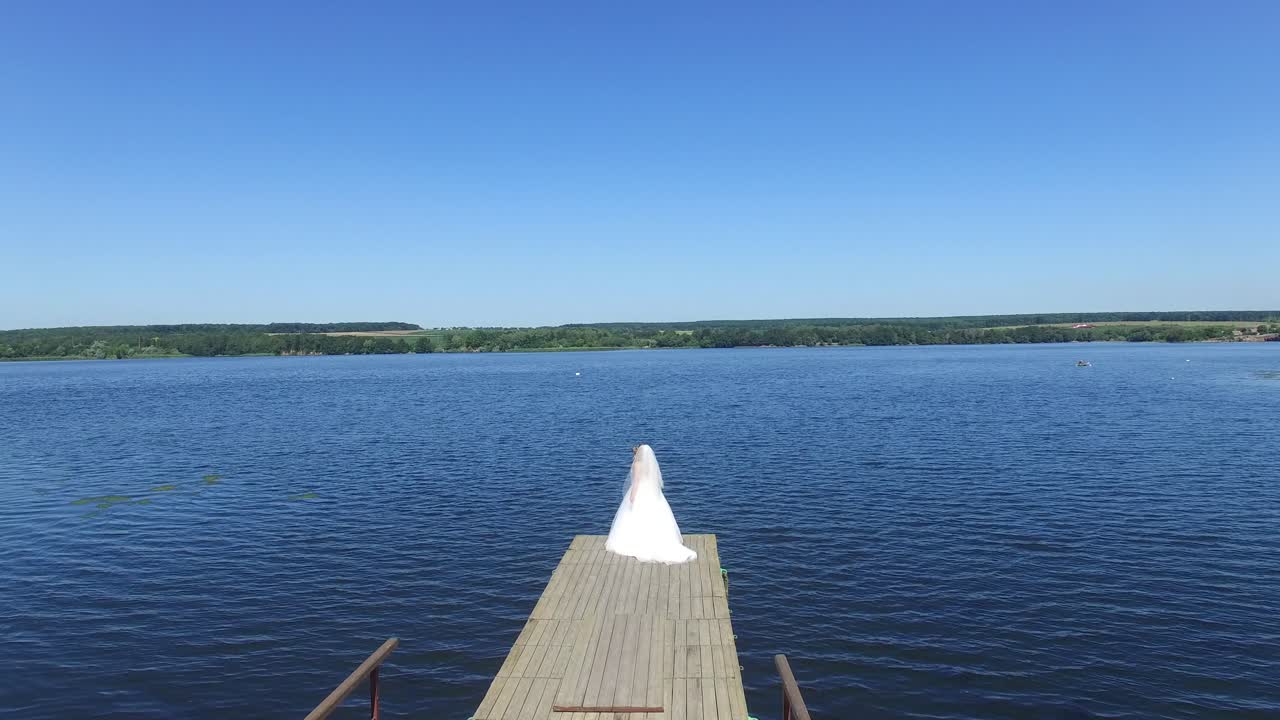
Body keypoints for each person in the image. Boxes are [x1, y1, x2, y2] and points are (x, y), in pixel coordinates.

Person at [605, 444, 697, 563]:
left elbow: (636, 481)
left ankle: (636, 541)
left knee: (635, 515)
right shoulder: (650, 465)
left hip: (640, 491)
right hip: (652, 492)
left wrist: (632, 496)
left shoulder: (637, 464)